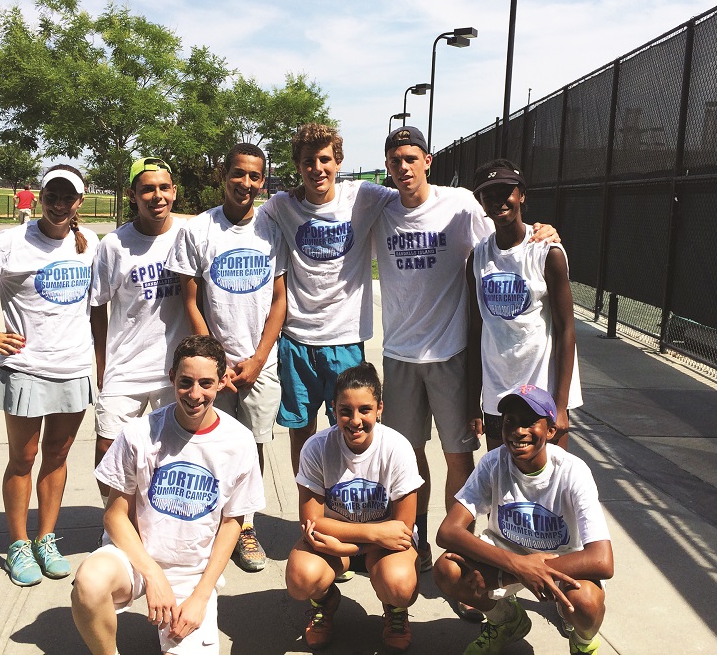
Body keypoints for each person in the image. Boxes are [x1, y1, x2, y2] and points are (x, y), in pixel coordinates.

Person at [373, 126, 559, 585]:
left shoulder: (459, 204)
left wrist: (543, 230)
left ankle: (461, 547)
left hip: (450, 351)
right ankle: (414, 539)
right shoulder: (379, 207)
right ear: (387, 166)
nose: (403, 167)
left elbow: (506, 232)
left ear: (428, 160)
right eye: (395, 160)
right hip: (399, 354)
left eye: (411, 158)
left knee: (458, 455)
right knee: (408, 457)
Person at [0, 164, 98, 587]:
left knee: (58, 455)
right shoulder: (11, 242)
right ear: (40, 197)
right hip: (26, 368)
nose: (59, 204)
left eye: (68, 197)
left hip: (73, 366)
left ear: (80, 201)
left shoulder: (89, 243)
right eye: (52, 196)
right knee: (23, 458)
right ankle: (18, 544)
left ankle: (46, 539)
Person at [71, 335, 264, 655]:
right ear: (172, 377)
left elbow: (233, 523)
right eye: (186, 382)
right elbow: (114, 515)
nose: (195, 393)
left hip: (192, 572)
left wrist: (201, 595)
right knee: (90, 582)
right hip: (135, 558)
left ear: (221, 383)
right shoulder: (139, 434)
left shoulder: (239, 441)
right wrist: (153, 575)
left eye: (206, 383)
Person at [166, 143, 287, 573]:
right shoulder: (198, 230)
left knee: (251, 446)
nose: (246, 183)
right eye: (239, 173)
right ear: (224, 175)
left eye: (255, 176)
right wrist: (215, 364)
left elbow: (279, 301)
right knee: (207, 443)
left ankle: (245, 526)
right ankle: (209, 523)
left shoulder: (271, 229)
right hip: (212, 369)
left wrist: (258, 359)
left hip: (258, 365)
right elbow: (191, 301)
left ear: (263, 181)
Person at [259, 123, 397, 475]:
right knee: (301, 431)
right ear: (298, 165)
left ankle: (345, 500)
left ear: (338, 162)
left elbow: (418, 201)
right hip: (297, 340)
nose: (317, 168)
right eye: (308, 161)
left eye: (324, 159)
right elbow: (238, 222)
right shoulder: (282, 205)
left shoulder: (363, 196)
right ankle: (307, 500)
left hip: (345, 339)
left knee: (350, 431)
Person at [433, 386, 613, 655]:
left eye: (529, 422)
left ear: (550, 431)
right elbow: (448, 531)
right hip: (508, 554)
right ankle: (506, 620)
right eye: (511, 422)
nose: (518, 431)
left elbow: (602, 560)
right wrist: (516, 565)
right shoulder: (493, 463)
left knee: (585, 603)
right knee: (449, 570)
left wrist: (515, 574)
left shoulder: (573, 472)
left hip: (561, 559)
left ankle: (583, 642)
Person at [285, 362, 422, 653]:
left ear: (380, 408)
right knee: (300, 578)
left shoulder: (398, 448)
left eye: (365, 410)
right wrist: (369, 537)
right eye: (345, 410)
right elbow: (311, 522)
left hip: (381, 546)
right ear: (333, 409)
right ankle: (324, 602)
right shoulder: (316, 447)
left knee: (400, 585)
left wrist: (353, 543)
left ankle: (395, 610)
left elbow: (402, 530)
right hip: (338, 543)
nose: (355, 420)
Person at [90, 157, 189, 503]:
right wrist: (102, 363)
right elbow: (97, 305)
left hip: (175, 369)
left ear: (174, 192)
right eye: (147, 189)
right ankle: (113, 517)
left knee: (175, 452)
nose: (157, 196)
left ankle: (164, 517)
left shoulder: (188, 235)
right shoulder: (114, 245)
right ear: (133, 195)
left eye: (163, 188)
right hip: (125, 365)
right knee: (108, 447)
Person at [467, 159, 582, 452]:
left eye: (506, 191)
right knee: (502, 476)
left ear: (522, 195)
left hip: (543, 389)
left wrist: (561, 404)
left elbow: (566, 329)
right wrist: (473, 402)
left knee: (550, 475)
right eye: (488, 194)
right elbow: (476, 330)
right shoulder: (478, 258)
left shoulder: (547, 252)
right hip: (498, 394)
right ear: (481, 202)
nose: (498, 201)